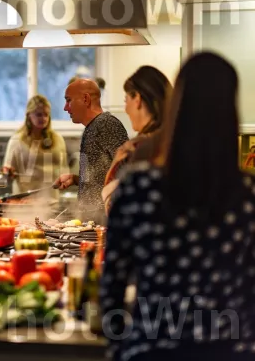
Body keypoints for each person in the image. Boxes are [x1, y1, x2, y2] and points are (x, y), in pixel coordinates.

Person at [101, 52, 255, 361]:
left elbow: (112, 286)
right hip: (228, 351)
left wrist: (119, 349)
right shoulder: (247, 196)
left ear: (177, 107)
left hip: (152, 349)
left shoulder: (138, 187)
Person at [54, 78, 128, 224]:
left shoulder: (107, 124)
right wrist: (76, 179)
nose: (65, 108)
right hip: (91, 221)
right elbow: (99, 176)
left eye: (68, 100)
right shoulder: (91, 128)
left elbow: (126, 172)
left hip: (105, 221)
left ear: (86, 99)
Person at [102, 66, 171, 213]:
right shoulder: (174, 140)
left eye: (126, 100)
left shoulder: (138, 148)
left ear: (137, 99)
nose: (126, 108)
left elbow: (112, 205)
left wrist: (116, 162)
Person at [3, 95, 68, 199]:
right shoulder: (17, 141)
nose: (43, 118)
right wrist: (8, 173)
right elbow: (6, 173)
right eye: (39, 114)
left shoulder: (58, 139)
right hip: (24, 201)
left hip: (52, 200)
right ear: (29, 115)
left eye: (46, 114)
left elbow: (64, 170)